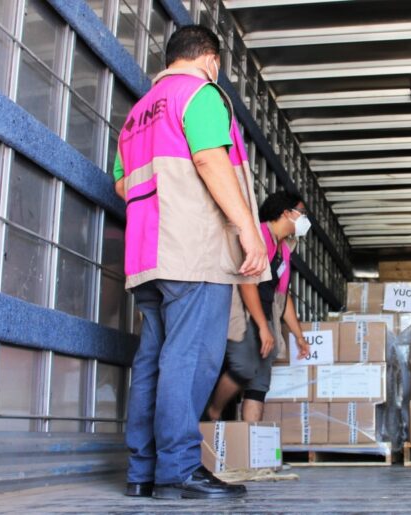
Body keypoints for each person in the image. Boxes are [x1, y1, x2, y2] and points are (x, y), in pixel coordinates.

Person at [113, 25, 269, 500]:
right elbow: (209, 160)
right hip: (192, 250)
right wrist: (247, 228)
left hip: (147, 254)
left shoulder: (137, 115)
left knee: (153, 361)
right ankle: (179, 469)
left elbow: (122, 184)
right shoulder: (200, 94)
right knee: (191, 357)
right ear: (211, 60)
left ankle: (142, 471)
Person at [207, 192, 312, 423]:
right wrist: (263, 328)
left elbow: (282, 297)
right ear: (286, 213)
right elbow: (247, 284)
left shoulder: (284, 248)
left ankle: (251, 439)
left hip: (266, 316)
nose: (306, 219)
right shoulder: (260, 236)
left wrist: (299, 336)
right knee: (245, 367)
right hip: (244, 315)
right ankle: (212, 411)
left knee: (260, 382)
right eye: (302, 213)